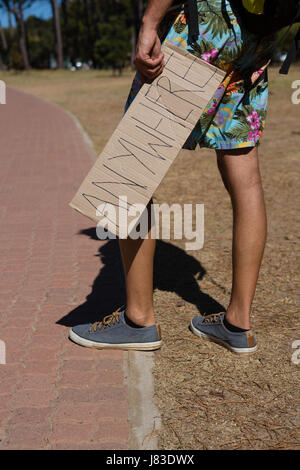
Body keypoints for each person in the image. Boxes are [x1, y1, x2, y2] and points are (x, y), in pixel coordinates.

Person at [69, 0, 276, 354]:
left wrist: (150, 21)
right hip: (257, 34)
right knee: (247, 180)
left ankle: (138, 321)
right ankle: (237, 322)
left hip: (207, 22)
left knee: (131, 169)